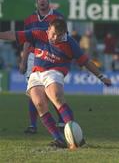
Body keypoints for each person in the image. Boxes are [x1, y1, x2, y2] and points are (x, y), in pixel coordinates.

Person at [0, 18, 112, 149]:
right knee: (39, 103)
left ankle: (75, 136)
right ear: (48, 29)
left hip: (55, 72)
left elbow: (86, 61)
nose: (54, 37)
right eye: (52, 34)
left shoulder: (70, 43)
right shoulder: (38, 33)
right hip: (36, 73)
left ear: (64, 33)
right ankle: (58, 139)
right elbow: (13, 34)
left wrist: (101, 76)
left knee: (56, 95)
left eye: (59, 35)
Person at [19, 0, 65, 134]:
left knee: (51, 90)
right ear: (36, 2)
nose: (42, 1)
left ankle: (61, 120)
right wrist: (23, 60)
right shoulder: (29, 19)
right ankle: (33, 125)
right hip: (34, 56)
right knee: (34, 91)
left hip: (52, 56)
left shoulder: (57, 16)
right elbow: (26, 41)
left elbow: (64, 38)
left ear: (48, 1)